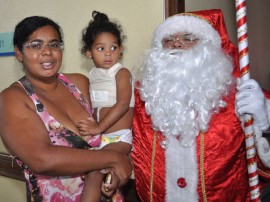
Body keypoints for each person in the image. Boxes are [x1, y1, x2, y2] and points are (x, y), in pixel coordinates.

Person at [132, 9, 270, 202]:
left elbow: (263, 167)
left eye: (188, 38)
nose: (176, 43)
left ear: (209, 49)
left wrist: (265, 124)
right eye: (168, 39)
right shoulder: (142, 97)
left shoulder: (239, 94)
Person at [0, 16, 132, 202]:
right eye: (36, 45)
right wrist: (113, 159)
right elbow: (42, 159)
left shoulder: (79, 84)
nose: (47, 52)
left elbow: (113, 129)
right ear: (19, 53)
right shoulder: (12, 99)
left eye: (54, 45)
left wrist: (114, 174)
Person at [76, 11, 134, 201]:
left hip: (118, 138)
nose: (108, 53)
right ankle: (111, 183)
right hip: (100, 138)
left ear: (121, 49)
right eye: (100, 48)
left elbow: (124, 103)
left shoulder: (121, 73)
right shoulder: (92, 75)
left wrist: (98, 127)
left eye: (113, 47)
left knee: (93, 174)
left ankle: (113, 181)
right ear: (88, 52)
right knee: (97, 169)